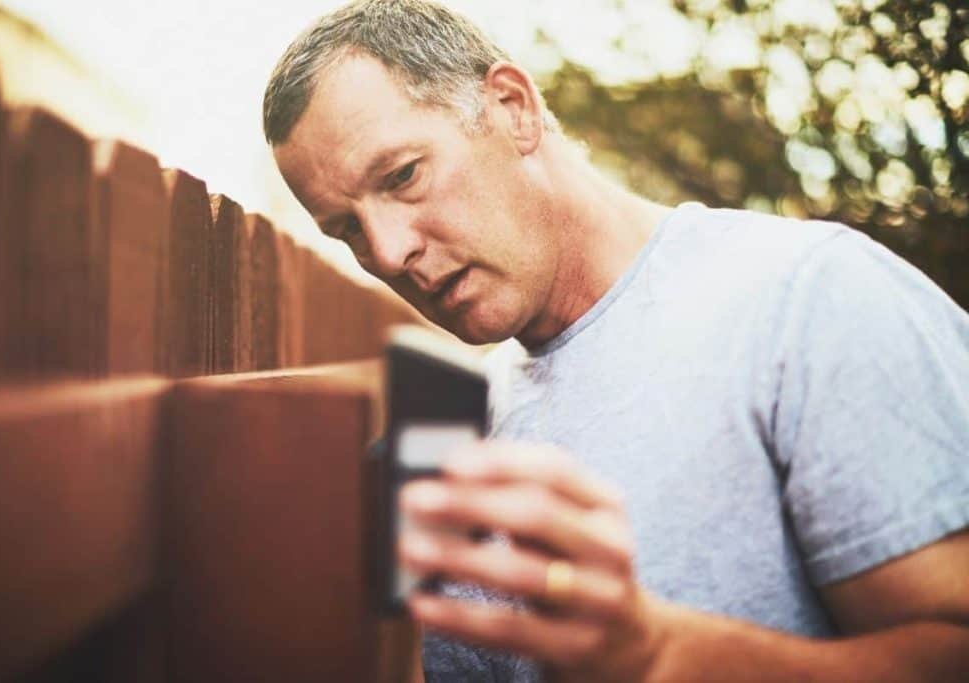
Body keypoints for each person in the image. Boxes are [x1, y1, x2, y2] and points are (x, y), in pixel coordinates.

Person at [262, 1, 969, 680]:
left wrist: (661, 658)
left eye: (402, 176)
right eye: (347, 228)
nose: (387, 253)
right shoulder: (454, 425)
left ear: (514, 109)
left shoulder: (809, 298)